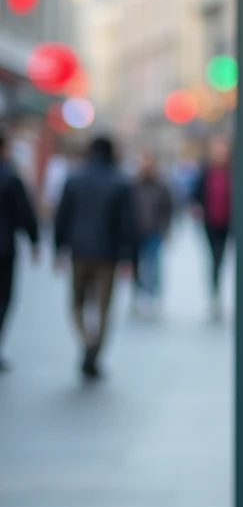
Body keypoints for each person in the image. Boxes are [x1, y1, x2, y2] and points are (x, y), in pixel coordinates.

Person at [54, 136, 136, 379]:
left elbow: (62, 217)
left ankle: (86, 340)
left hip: (79, 251)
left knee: (76, 303)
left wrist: (58, 249)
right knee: (103, 307)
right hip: (108, 254)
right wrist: (130, 257)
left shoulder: (74, 179)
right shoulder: (120, 182)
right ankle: (95, 348)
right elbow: (127, 224)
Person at [0, 131, 40, 371]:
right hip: (3, 247)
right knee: (3, 297)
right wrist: (34, 241)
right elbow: (25, 213)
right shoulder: (10, 177)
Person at [191, 136, 232, 323]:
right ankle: (214, 295)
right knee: (213, 259)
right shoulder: (206, 173)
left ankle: (217, 293)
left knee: (220, 258)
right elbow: (196, 195)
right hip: (210, 223)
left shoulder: (232, 172)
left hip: (227, 223)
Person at [131, 151, 174, 319]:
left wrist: (165, 229)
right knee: (137, 265)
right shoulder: (133, 185)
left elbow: (168, 209)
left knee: (154, 264)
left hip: (154, 231)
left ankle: (153, 297)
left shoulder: (161, 186)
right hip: (136, 232)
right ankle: (137, 296)